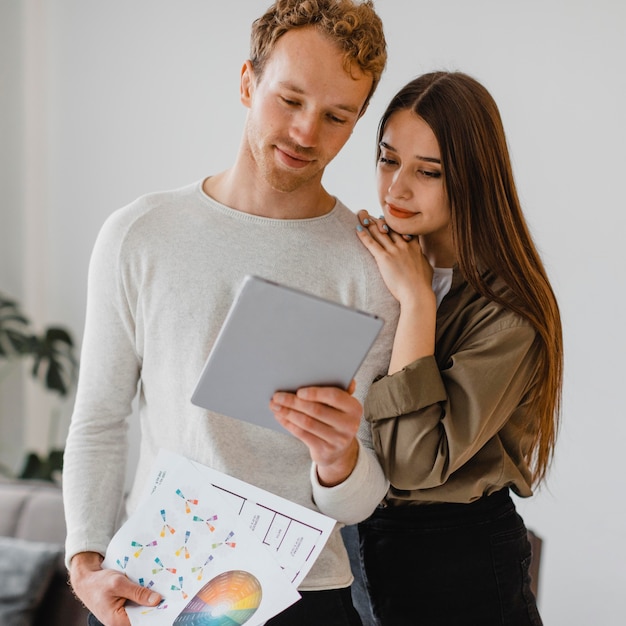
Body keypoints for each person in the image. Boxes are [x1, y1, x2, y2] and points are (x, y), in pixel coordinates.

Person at [62, 3, 399, 626]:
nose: (305, 133)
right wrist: (85, 563)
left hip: (308, 599)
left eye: (336, 116)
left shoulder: (373, 265)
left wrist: (338, 460)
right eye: (289, 99)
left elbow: (362, 497)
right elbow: (101, 420)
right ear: (247, 81)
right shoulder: (141, 234)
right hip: (159, 589)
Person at [351, 71, 563, 625]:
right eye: (388, 158)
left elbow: (411, 463)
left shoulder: (511, 310)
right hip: (358, 547)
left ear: (472, 179)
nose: (396, 188)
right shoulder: (370, 262)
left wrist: (418, 303)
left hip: (458, 561)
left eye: (428, 172)